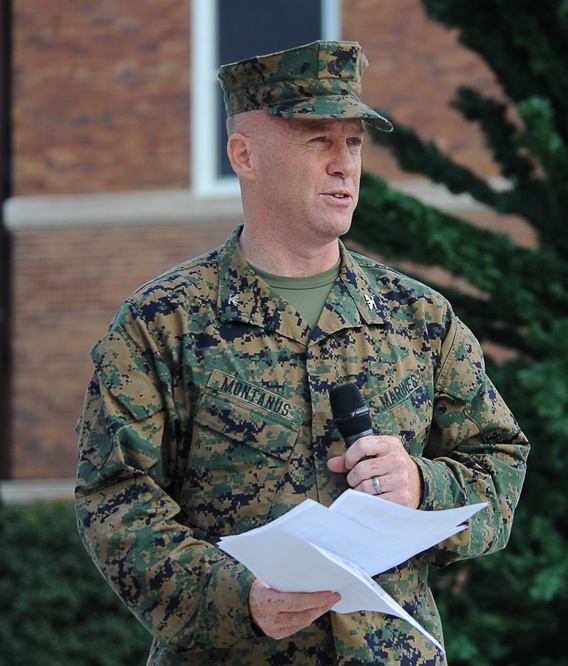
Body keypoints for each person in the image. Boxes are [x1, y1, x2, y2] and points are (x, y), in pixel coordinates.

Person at [74, 40, 529, 666]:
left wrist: (422, 484)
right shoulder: (164, 323)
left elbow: (499, 462)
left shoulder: (418, 317)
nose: (344, 165)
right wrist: (240, 598)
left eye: (355, 144)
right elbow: (115, 501)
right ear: (245, 155)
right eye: (318, 141)